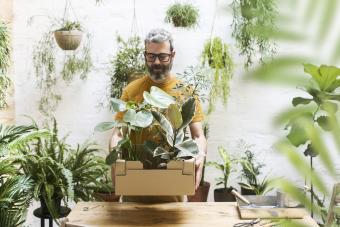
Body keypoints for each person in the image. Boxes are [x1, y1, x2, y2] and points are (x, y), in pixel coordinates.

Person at [109, 28, 207, 202]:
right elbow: (118, 134)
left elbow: (198, 136)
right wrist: (115, 161)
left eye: (163, 56)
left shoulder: (185, 92)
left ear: (173, 55)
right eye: (151, 56)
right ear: (145, 55)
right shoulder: (132, 90)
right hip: (134, 190)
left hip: (174, 190)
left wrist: (199, 157)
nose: (156, 62)